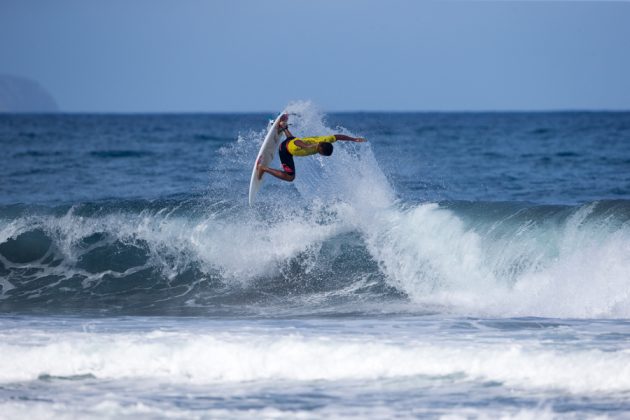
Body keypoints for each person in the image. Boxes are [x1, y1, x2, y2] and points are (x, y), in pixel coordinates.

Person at [257, 113, 366, 182]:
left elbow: (337, 137)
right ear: (321, 150)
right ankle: (264, 168)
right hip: (285, 150)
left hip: (290, 140)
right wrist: (307, 146)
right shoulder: (310, 146)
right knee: (290, 177)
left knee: (292, 139)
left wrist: (354, 139)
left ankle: (284, 127)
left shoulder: (325, 140)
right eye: (322, 154)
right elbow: (298, 143)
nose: (321, 155)